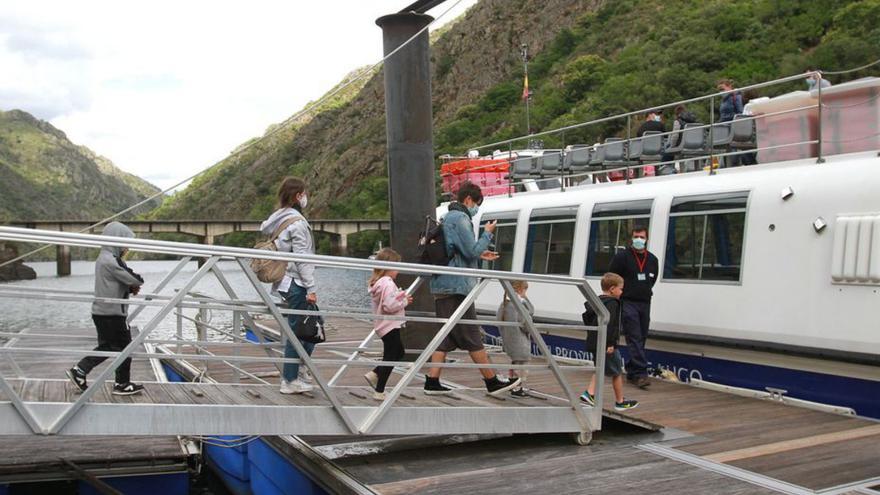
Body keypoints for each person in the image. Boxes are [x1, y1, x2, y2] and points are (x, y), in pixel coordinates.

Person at [425, 181, 521, 396]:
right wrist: (487, 233)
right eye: (476, 204)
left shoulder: (447, 217)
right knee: (472, 336)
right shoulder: (460, 218)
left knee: (446, 337)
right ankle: (492, 381)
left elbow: (461, 251)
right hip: (457, 286)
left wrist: (480, 253)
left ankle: (432, 381)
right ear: (468, 199)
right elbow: (470, 251)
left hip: (444, 284)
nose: (476, 209)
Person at [66, 222, 145, 396]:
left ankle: (115, 381)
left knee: (111, 346)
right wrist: (133, 285)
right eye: (125, 242)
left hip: (102, 311)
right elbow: (135, 278)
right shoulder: (112, 260)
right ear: (116, 239)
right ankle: (83, 370)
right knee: (122, 347)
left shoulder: (104, 257)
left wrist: (129, 287)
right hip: (112, 313)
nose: (126, 247)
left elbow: (122, 280)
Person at [261, 177, 319, 394]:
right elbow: (302, 258)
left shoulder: (278, 218)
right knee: (302, 331)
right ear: (298, 196)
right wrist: (311, 288)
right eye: (304, 194)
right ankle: (289, 380)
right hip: (296, 282)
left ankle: (299, 372)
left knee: (308, 327)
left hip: (284, 282)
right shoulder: (296, 223)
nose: (306, 198)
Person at [608, 226, 658, 389]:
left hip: (644, 301)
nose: (639, 240)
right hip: (628, 301)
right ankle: (641, 374)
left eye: (642, 237)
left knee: (642, 336)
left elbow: (653, 278)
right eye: (636, 236)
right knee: (634, 335)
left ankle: (632, 369)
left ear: (646, 239)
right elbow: (611, 277)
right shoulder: (622, 257)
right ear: (631, 238)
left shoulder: (652, 260)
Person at [580, 273, 639, 411]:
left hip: (595, 341)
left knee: (599, 368)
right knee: (617, 372)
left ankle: (589, 393)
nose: (622, 292)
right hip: (607, 344)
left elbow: (586, 318)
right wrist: (611, 343)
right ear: (612, 289)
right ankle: (619, 401)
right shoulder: (612, 303)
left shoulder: (595, 302)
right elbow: (611, 324)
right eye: (621, 289)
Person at [363, 248, 413, 400]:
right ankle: (379, 391)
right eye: (397, 266)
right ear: (388, 267)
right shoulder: (388, 283)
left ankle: (375, 373)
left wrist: (399, 296)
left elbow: (386, 301)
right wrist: (405, 301)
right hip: (390, 325)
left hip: (382, 325)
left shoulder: (379, 282)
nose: (398, 270)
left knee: (398, 353)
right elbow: (389, 306)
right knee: (391, 356)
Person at [496, 280, 534, 397]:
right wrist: (525, 300)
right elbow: (528, 318)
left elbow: (499, 321)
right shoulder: (519, 306)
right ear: (520, 290)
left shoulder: (504, 304)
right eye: (525, 290)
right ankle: (517, 388)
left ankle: (512, 385)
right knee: (522, 366)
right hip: (520, 341)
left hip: (509, 340)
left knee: (514, 364)